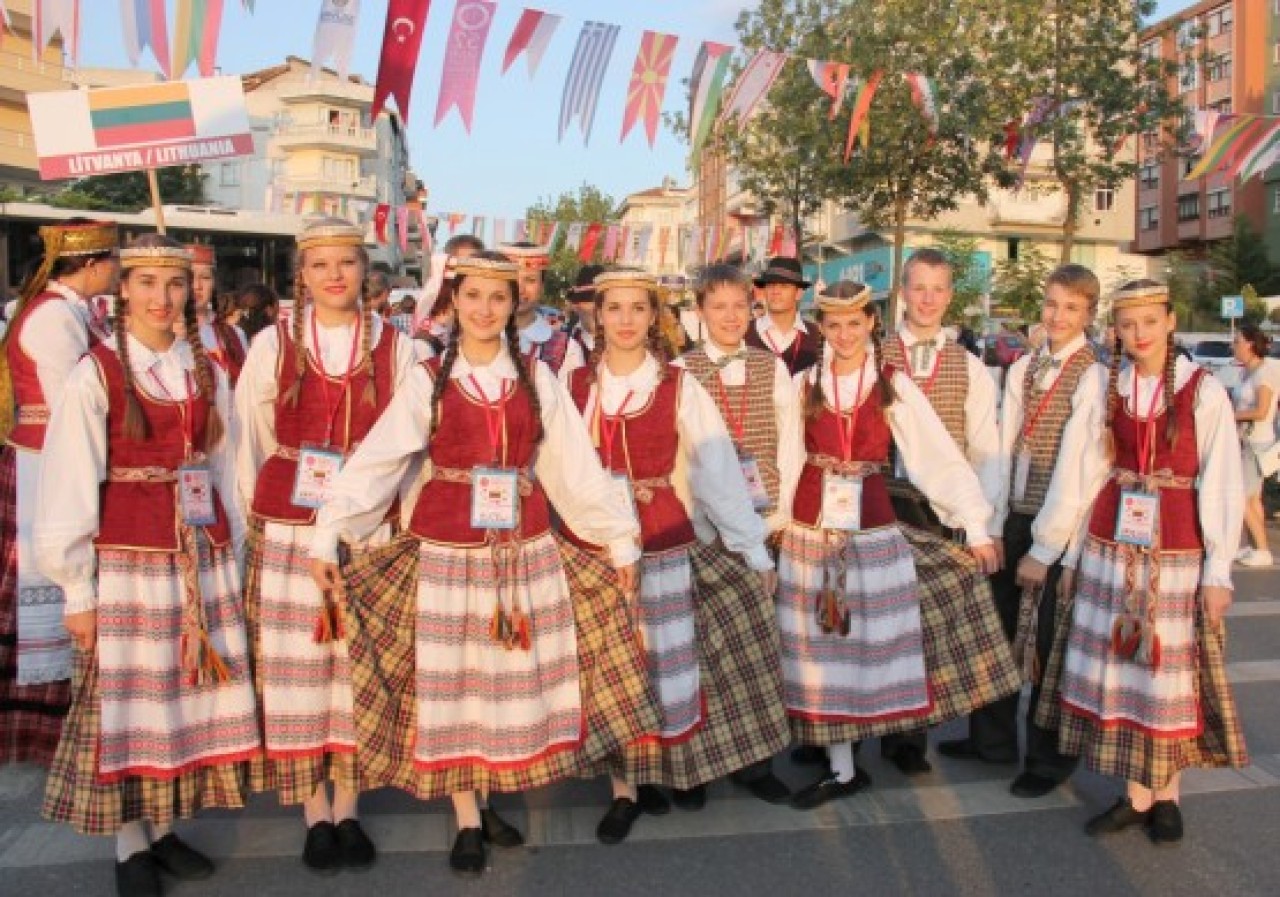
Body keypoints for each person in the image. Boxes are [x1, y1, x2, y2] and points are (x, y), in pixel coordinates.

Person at [307, 253, 654, 878]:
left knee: (502, 688)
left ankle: (490, 800)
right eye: (475, 297)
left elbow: (573, 467)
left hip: (523, 555)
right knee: (457, 690)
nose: (486, 309)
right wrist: (328, 529)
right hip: (446, 557)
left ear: (513, 303)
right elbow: (379, 459)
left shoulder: (539, 380)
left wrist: (618, 539)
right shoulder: (428, 378)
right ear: (454, 301)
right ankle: (467, 819)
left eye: (499, 297)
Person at [35, 235, 258, 897]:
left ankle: (162, 828)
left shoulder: (206, 369)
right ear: (122, 290)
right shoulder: (95, 373)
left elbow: (222, 467)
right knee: (128, 704)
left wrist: (233, 549)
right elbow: (71, 479)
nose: (163, 297)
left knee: (177, 699)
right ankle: (129, 843)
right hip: (128, 561)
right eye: (148, 283)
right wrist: (77, 585)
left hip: (196, 553)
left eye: (175, 283)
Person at [564, 270, 785, 844]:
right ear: (597, 315)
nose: (626, 320)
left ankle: (667, 769)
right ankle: (623, 790)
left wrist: (754, 552)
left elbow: (717, 472)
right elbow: (558, 469)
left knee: (663, 660)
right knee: (610, 667)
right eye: (615, 309)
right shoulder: (574, 385)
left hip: (660, 537)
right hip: (595, 547)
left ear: (653, 316)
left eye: (638, 308)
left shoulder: (679, 385)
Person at [778, 280, 1017, 810]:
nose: (844, 334)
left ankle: (869, 746)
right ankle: (841, 768)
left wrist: (975, 526)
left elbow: (935, 457)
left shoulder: (893, 384)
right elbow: (787, 460)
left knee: (868, 644)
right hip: (811, 528)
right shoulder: (800, 383)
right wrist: (774, 528)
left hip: (870, 525)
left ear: (871, 326)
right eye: (833, 324)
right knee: (823, 648)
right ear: (822, 328)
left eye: (854, 324)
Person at [236, 219, 420, 874]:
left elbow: (408, 438)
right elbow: (251, 432)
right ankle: (313, 810)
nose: (335, 275)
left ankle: (350, 806)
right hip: (288, 522)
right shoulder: (272, 343)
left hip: (363, 528)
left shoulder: (396, 346)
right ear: (303, 275)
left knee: (353, 672)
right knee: (296, 674)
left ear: (363, 271)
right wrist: (262, 504)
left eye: (347, 263)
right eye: (322, 265)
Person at [1049, 279, 1247, 843]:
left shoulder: (1201, 389)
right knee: (1126, 667)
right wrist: (1065, 554)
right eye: (1128, 323)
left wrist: (1219, 572)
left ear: (1170, 320)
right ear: (1116, 328)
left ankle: (1168, 795)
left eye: (1150, 322)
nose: (1139, 334)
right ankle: (1136, 795)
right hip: (1112, 546)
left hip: (1178, 550)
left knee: (1168, 677)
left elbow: (1223, 485)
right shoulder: (1102, 383)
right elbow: (1081, 471)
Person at [940, 264, 1108, 799]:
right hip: (1014, 512)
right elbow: (1002, 448)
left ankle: (1047, 757)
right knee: (996, 627)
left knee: (1048, 641)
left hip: (1057, 525)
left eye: (1071, 308)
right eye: (1052, 304)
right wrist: (989, 523)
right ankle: (991, 739)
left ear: (1089, 315)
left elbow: (1078, 471)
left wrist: (1046, 547)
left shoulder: (1092, 375)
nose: (1057, 316)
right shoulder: (1024, 368)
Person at [673, 264, 797, 804]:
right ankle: (696, 764)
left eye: (738, 307)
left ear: (752, 310)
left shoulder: (773, 369)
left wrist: (783, 516)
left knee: (756, 653)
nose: (729, 317)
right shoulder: (679, 370)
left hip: (764, 522)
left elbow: (792, 449)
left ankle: (755, 762)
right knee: (699, 650)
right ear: (700, 312)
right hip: (704, 530)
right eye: (717, 306)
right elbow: (677, 457)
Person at [877, 248, 1003, 776]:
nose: (927, 299)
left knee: (924, 628)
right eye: (918, 287)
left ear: (951, 297)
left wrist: (983, 526)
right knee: (878, 621)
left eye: (938, 289)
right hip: (882, 502)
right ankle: (866, 725)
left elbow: (985, 451)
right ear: (901, 291)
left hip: (939, 512)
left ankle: (910, 736)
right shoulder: (872, 353)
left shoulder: (970, 366)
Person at [0, 219, 119, 766]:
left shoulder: (67, 311)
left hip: (50, 456)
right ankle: (47, 719)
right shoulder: (53, 317)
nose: (117, 270)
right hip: (45, 462)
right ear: (92, 265)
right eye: (114, 260)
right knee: (43, 589)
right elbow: (70, 400)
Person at [1231, 324, 1280, 567]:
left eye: (1237, 341)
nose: (1234, 346)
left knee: (1242, 496)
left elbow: (1262, 411)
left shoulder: (1264, 374)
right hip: (1246, 441)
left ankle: (1262, 550)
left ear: (1250, 344)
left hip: (1257, 442)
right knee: (1252, 499)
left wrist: (1232, 415)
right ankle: (1255, 547)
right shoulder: (1246, 373)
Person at [501, 241, 585, 378]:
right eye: (513, 280)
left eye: (530, 280)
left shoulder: (566, 349)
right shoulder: (479, 338)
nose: (520, 290)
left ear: (542, 286)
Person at [185, 244, 248, 386]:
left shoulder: (235, 335)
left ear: (213, 283)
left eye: (205, 278)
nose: (196, 286)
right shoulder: (165, 336)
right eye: (189, 277)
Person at [748, 257, 820, 376]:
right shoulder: (745, 334)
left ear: (798, 293)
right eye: (771, 285)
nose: (776, 291)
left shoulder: (817, 336)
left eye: (784, 285)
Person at [566, 263, 604, 359]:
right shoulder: (561, 349)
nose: (598, 307)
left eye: (603, 300)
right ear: (575, 305)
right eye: (590, 299)